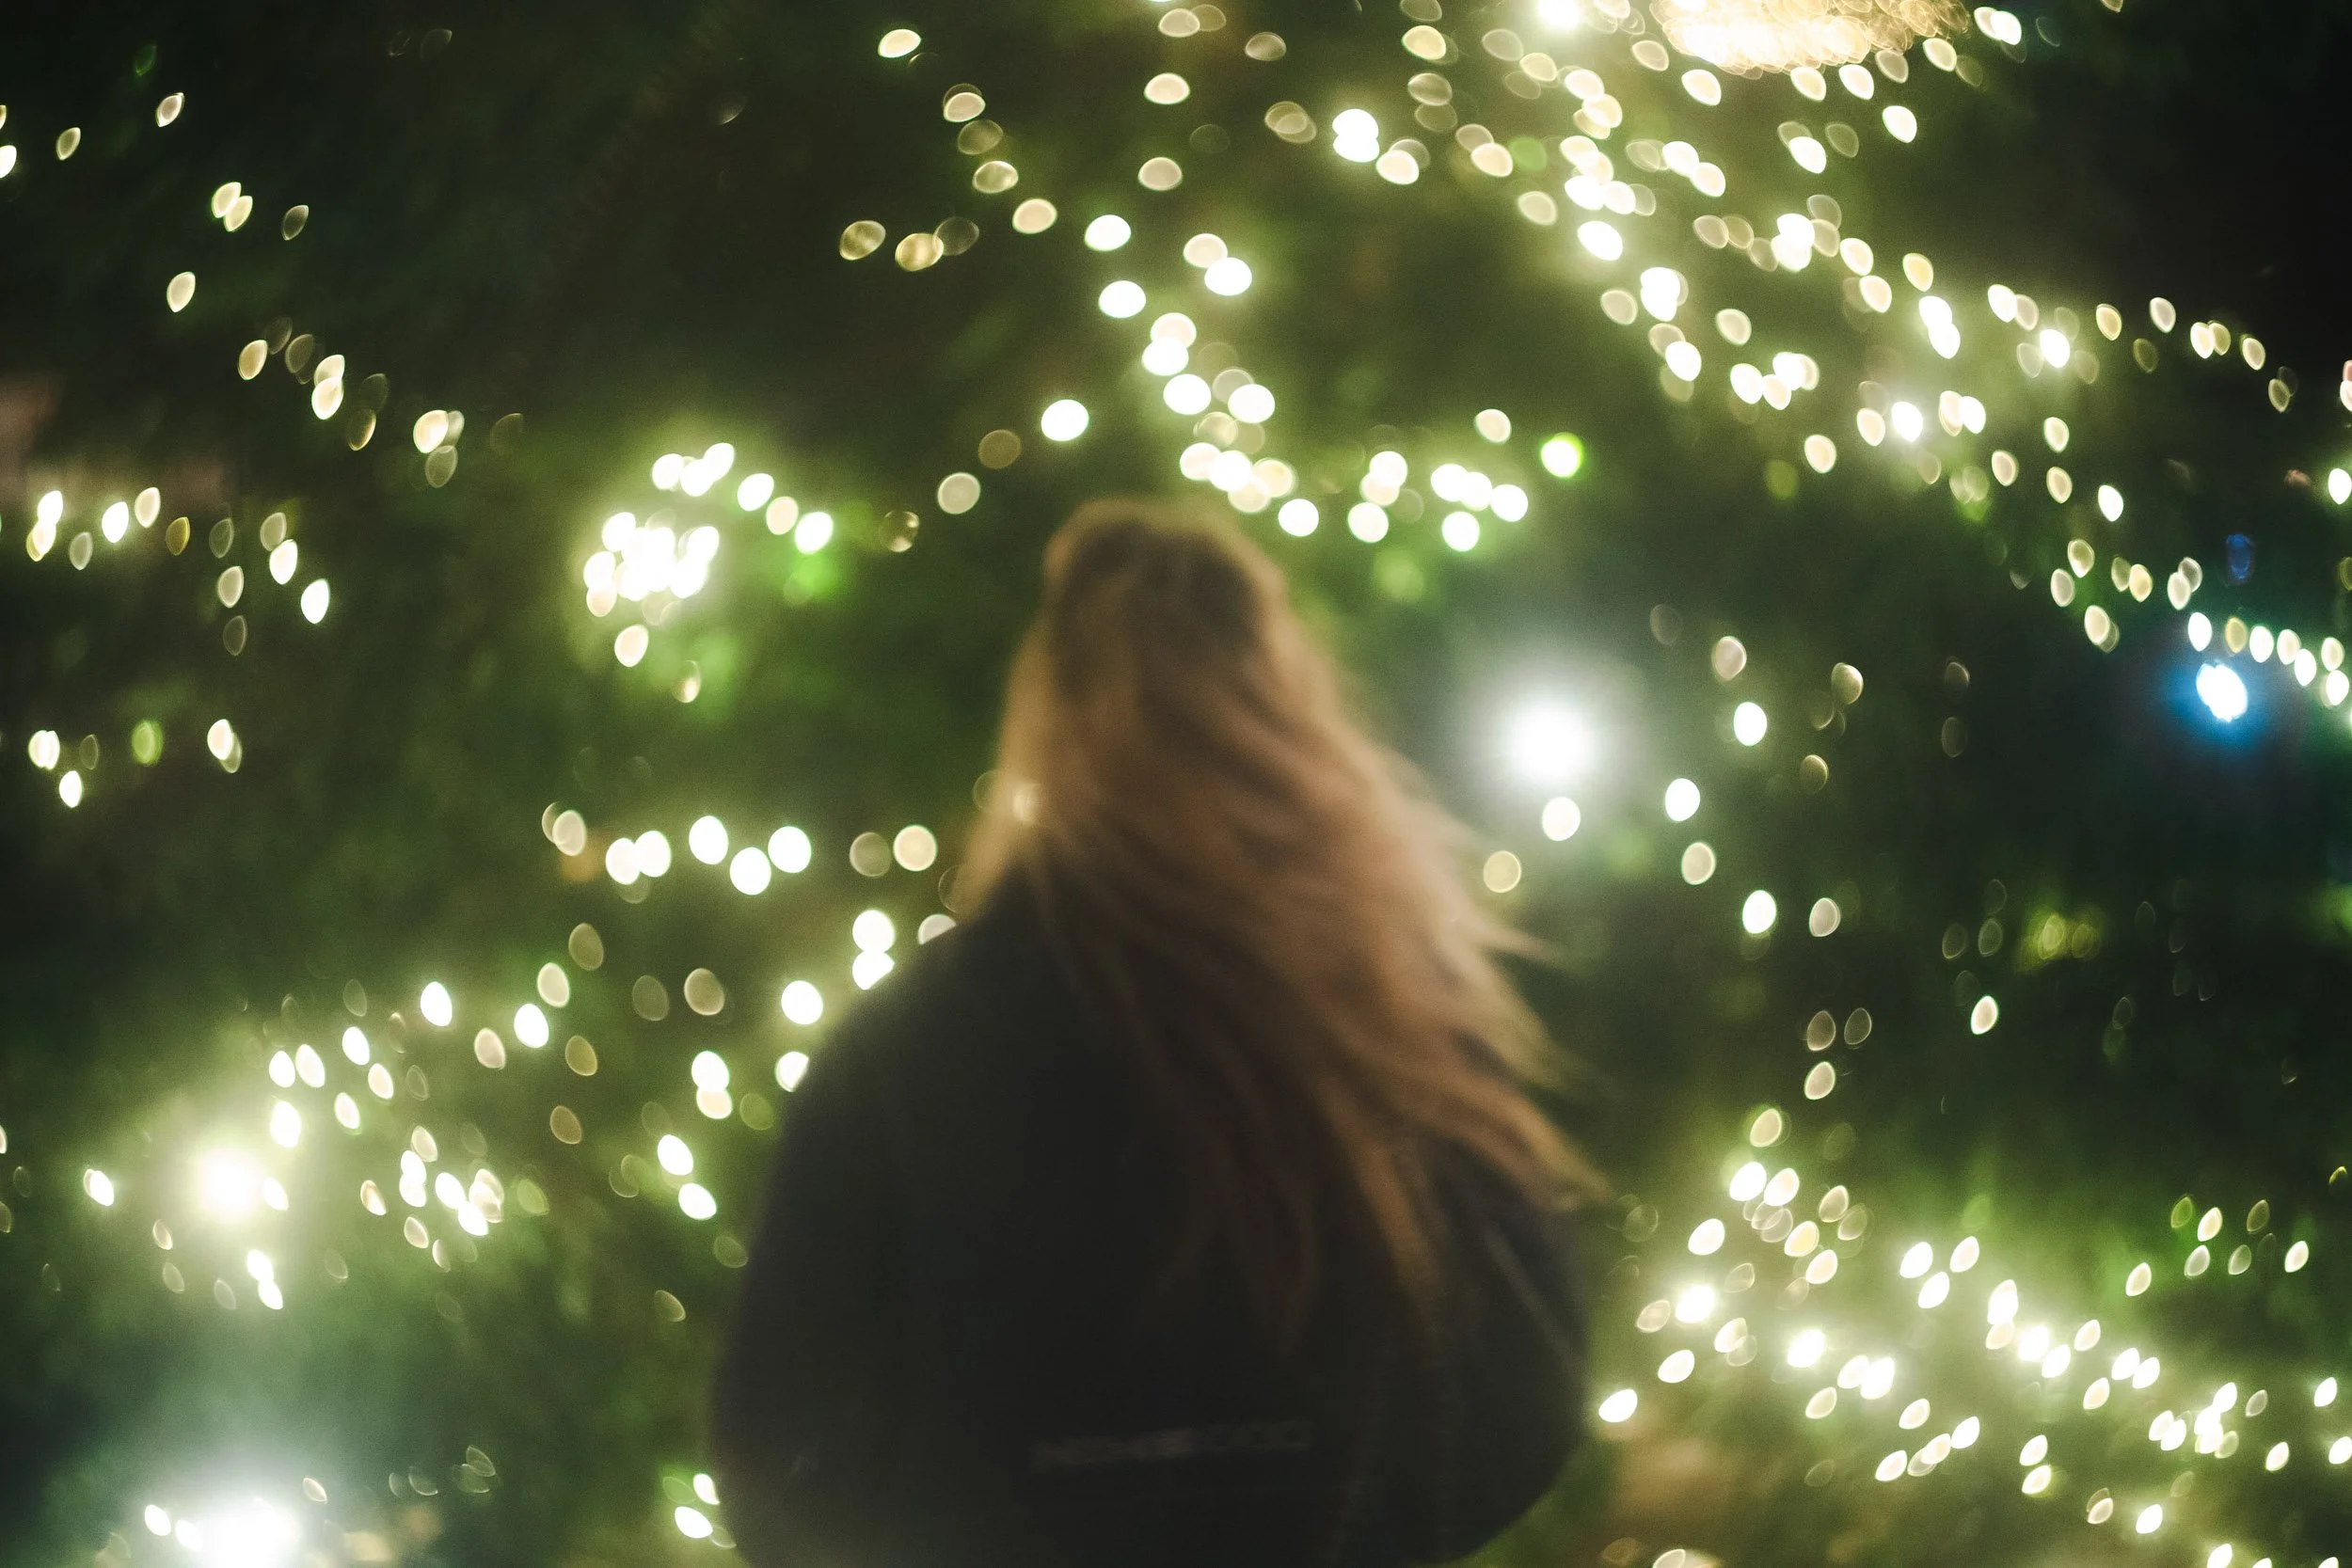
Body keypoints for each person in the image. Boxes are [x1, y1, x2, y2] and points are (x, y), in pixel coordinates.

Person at [712, 499, 1591, 1567]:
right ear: (1280, 699)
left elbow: (772, 1445)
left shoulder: (907, 1043)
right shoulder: (1385, 1020)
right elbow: (1529, 1391)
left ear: (1047, 713)